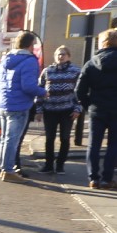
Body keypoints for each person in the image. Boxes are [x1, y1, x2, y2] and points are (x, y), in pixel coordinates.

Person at [75, 28, 117, 190]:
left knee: (94, 144)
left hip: (97, 108)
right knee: (114, 144)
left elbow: (79, 90)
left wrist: (88, 105)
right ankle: (107, 178)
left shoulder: (92, 62)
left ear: (102, 43)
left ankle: (93, 178)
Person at [0, 32, 45, 183]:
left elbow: (0, 82)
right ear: (30, 45)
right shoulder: (30, 61)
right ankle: (8, 170)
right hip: (19, 104)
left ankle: (4, 168)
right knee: (13, 140)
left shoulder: (6, 59)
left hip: (4, 102)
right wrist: (43, 92)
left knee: (5, 139)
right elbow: (28, 86)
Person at [38, 46, 81, 174]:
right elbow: (39, 90)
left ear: (68, 56)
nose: (60, 56)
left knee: (65, 138)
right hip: (49, 110)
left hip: (67, 110)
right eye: (58, 54)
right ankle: (48, 165)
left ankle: (60, 165)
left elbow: (81, 92)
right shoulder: (47, 71)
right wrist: (39, 109)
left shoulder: (75, 71)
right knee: (49, 138)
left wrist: (78, 109)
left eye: (63, 54)